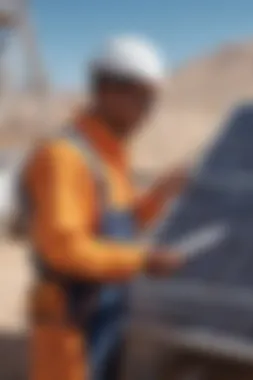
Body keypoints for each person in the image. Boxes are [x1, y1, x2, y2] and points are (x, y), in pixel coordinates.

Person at [21, 36, 187, 380]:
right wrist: (143, 260)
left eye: (152, 100)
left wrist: (159, 196)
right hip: (71, 322)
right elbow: (64, 248)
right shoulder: (64, 157)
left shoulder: (110, 157)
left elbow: (120, 227)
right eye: (142, 98)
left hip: (105, 311)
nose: (148, 111)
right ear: (108, 90)